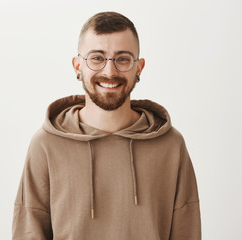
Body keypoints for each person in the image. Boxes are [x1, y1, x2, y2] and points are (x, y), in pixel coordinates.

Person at [12, 11, 201, 239]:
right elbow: (28, 231)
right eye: (97, 58)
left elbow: (187, 233)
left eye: (122, 58)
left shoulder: (171, 145)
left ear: (138, 67)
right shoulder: (46, 145)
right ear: (77, 66)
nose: (110, 72)